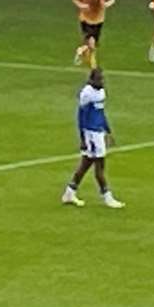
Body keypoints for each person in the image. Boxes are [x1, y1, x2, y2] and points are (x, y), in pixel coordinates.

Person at [60, 68, 125, 209]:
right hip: (90, 133)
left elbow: (100, 113)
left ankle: (70, 192)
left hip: (98, 133)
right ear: (92, 80)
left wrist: (107, 131)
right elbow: (81, 116)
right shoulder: (87, 93)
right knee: (99, 166)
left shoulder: (101, 92)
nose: (102, 82)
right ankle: (107, 196)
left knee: (86, 163)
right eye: (99, 79)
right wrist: (83, 138)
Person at [71, 0, 114, 69]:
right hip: (85, 19)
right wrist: (81, 5)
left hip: (99, 19)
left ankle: (82, 51)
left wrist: (107, 4)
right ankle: (93, 66)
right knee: (91, 42)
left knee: (92, 44)